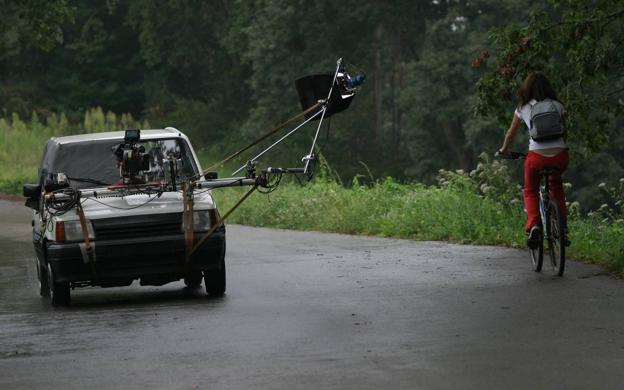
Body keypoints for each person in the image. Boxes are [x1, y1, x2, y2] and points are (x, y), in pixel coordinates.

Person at [498, 71, 569, 248]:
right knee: (556, 184)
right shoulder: (557, 105)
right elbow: (563, 130)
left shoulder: (523, 108)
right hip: (560, 156)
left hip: (536, 157)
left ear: (526, 88)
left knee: (530, 189)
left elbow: (511, 132)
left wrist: (504, 149)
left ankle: (534, 225)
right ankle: (562, 226)